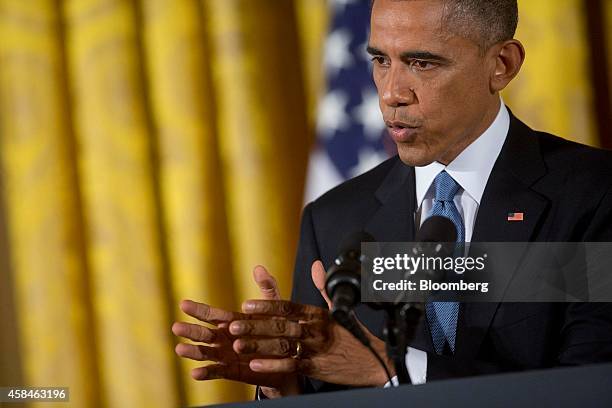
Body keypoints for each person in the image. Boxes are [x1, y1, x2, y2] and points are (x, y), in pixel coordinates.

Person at [172, 0, 612, 400]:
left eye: (422, 63)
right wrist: (287, 385)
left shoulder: (593, 194)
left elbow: (590, 388)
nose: (391, 92)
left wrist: (392, 369)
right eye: (380, 60)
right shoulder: (334, 220)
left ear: (501, 64)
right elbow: (325, 389)